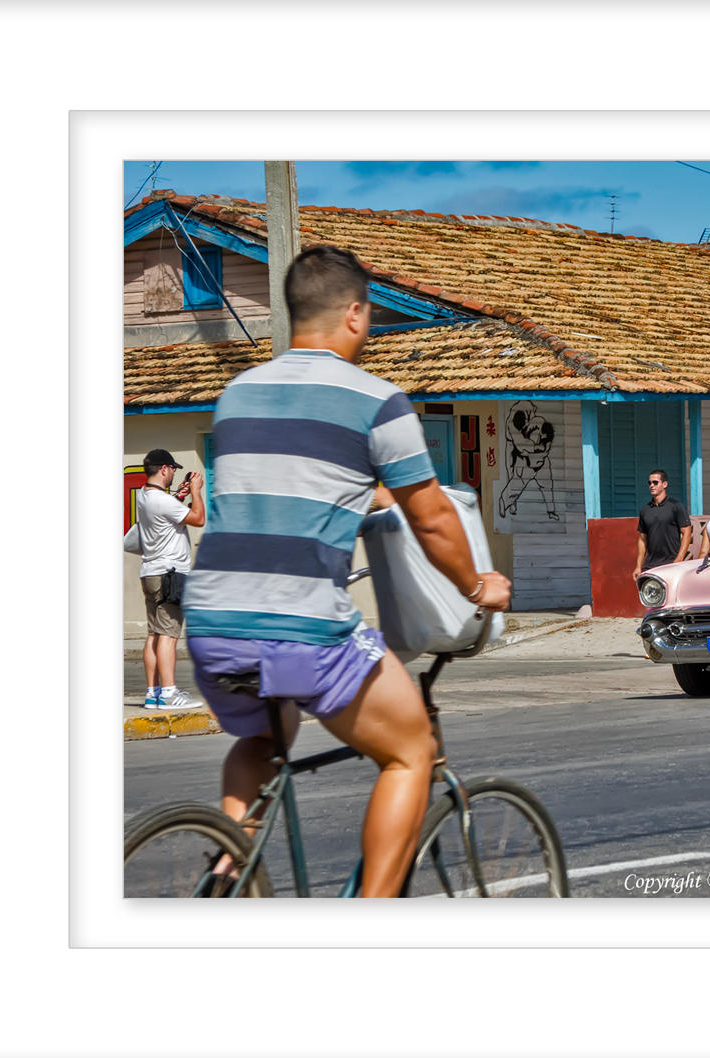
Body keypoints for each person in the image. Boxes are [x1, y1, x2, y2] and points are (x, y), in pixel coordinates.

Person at [181, 245, 511, 898]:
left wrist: (367, 498)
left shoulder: (237, 394)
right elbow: (435, 518)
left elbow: (293, 485)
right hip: (303, 626)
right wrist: (479, 585)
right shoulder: (376, 401)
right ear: (355, 314)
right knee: (410, 748)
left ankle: (227, 866)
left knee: (265, 739)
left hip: (212, 621)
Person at [135, 449, 205, 710]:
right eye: (173, 469)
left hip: (151, 572)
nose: (175, 473)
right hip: (170, 574)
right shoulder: (164, 502)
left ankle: (152, 693)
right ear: (164, 469)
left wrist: (180, 496)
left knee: (154, 634)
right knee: (169, 635)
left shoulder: (145, 496)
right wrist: (196, 491)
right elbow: (198, 519)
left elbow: (166, 511)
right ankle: (168, 693)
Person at [631, 468, 691, 579]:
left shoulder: (676, 506)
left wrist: (679, 559)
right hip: (650, 566)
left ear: (664, 484)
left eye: (655, 482)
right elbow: (642, 539)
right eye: (649, 483)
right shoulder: (645, 510)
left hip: (671, 563)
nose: (651, 485)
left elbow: (687, 532)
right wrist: (638, 566)